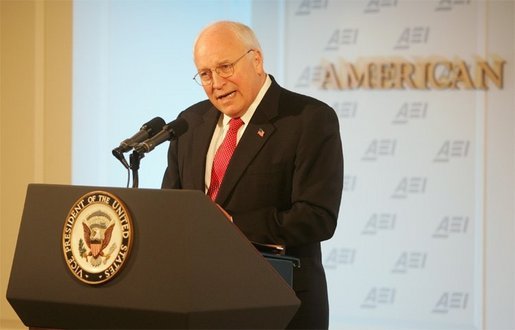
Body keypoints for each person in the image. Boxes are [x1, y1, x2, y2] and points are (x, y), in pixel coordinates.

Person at [162, 20, 343, 329]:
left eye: (225, 67)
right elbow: (172, 210)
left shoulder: (308, 119)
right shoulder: (189, 123)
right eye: (205, 74)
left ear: (256, 60)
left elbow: (317, 217)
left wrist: (232, 225)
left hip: (279, 304)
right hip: (199, 303)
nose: (216, 83)